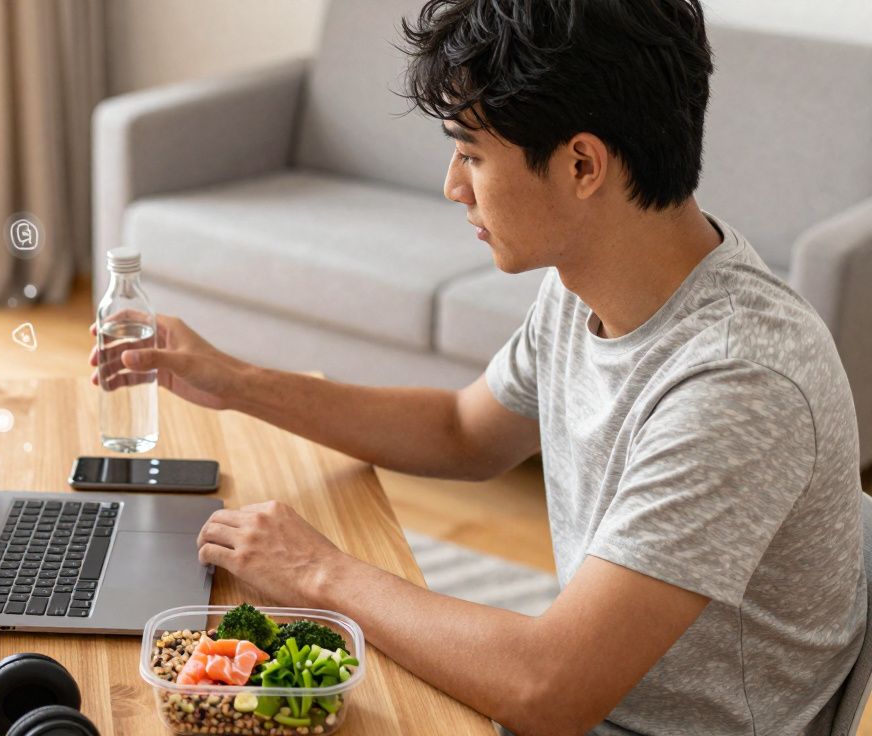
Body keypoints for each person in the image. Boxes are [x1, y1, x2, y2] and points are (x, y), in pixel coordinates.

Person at [90, 0, 865, 732]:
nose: (452, 186)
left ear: (583, 165)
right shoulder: (585, 285)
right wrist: (235, 381)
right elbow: (466, 430)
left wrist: (320, 574)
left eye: (471, 154)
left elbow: (549, 687)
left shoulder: (738, 382)